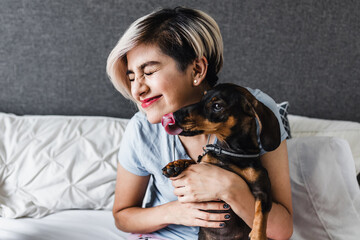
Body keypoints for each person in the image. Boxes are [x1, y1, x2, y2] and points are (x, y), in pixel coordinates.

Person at [106, 6, 293, 240]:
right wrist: (176, 212)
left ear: (197, 69)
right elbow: (122, 216)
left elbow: (282, 230)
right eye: (131, 77)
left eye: (150, 71)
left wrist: (230, 188)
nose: (137, 90)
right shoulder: (142, 129)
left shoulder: (249, 107)